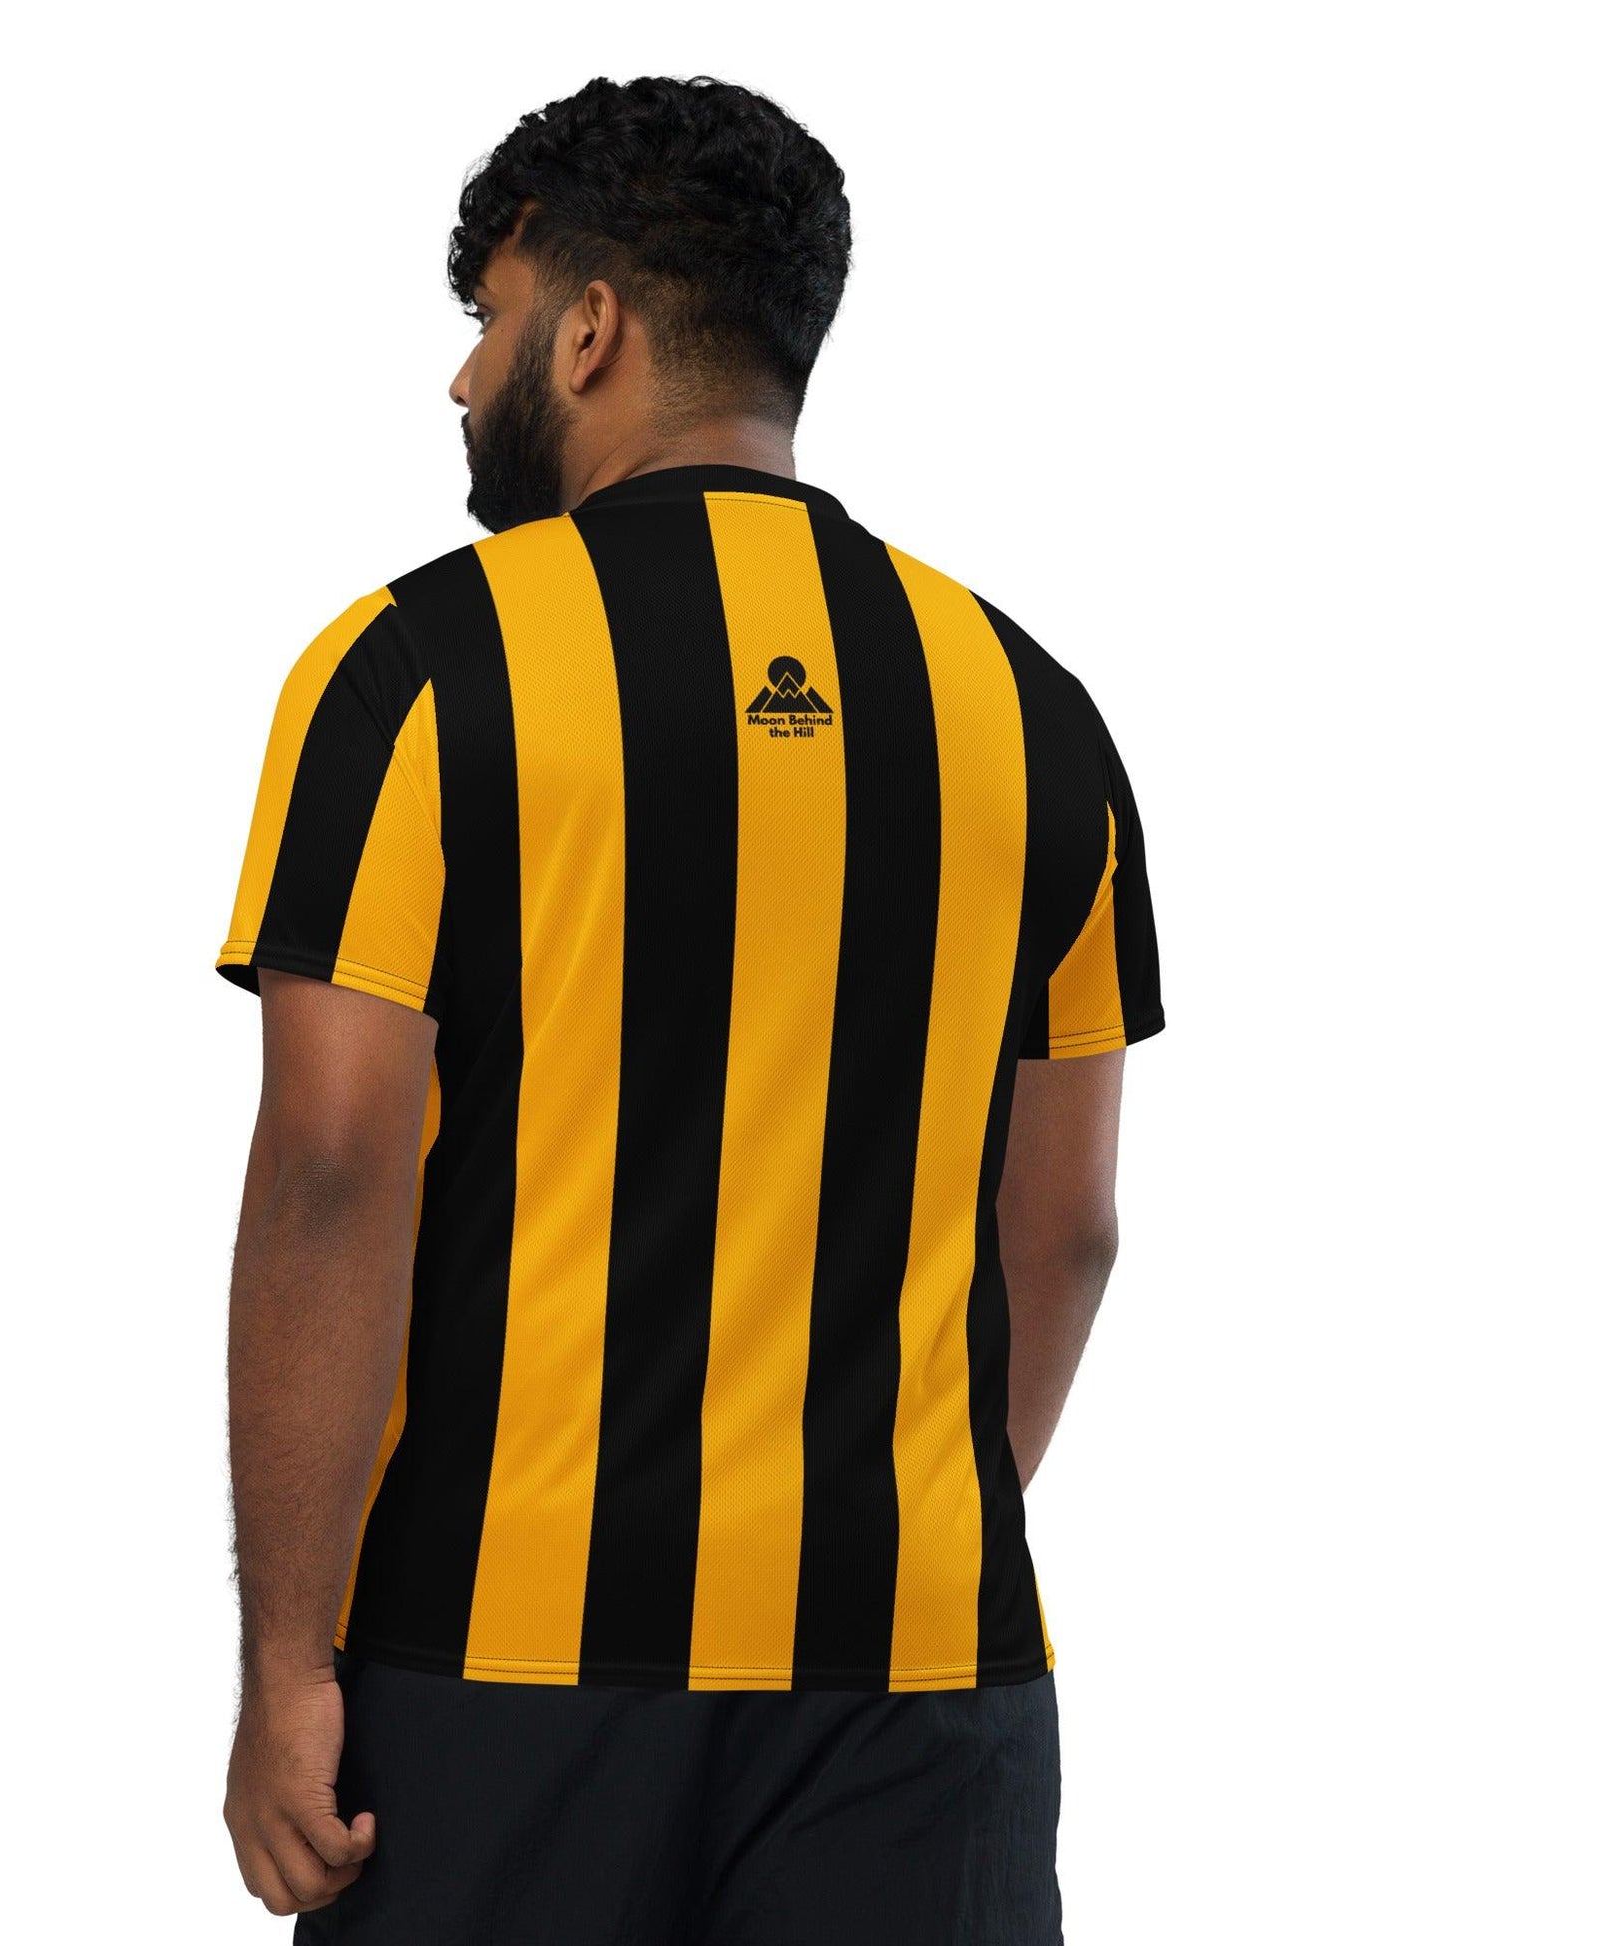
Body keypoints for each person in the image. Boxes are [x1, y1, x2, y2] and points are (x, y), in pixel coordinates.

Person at [213, 73, 1163, 1946]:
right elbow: (1064, 1228)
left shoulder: (414, 668)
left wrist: (283, 1658)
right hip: (920, 1684)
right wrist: (874, 1544)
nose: (464, 376)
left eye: (488, 318)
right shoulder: (1027, 705)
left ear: (589, 331)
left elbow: (333, 1167)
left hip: (492, 1676)